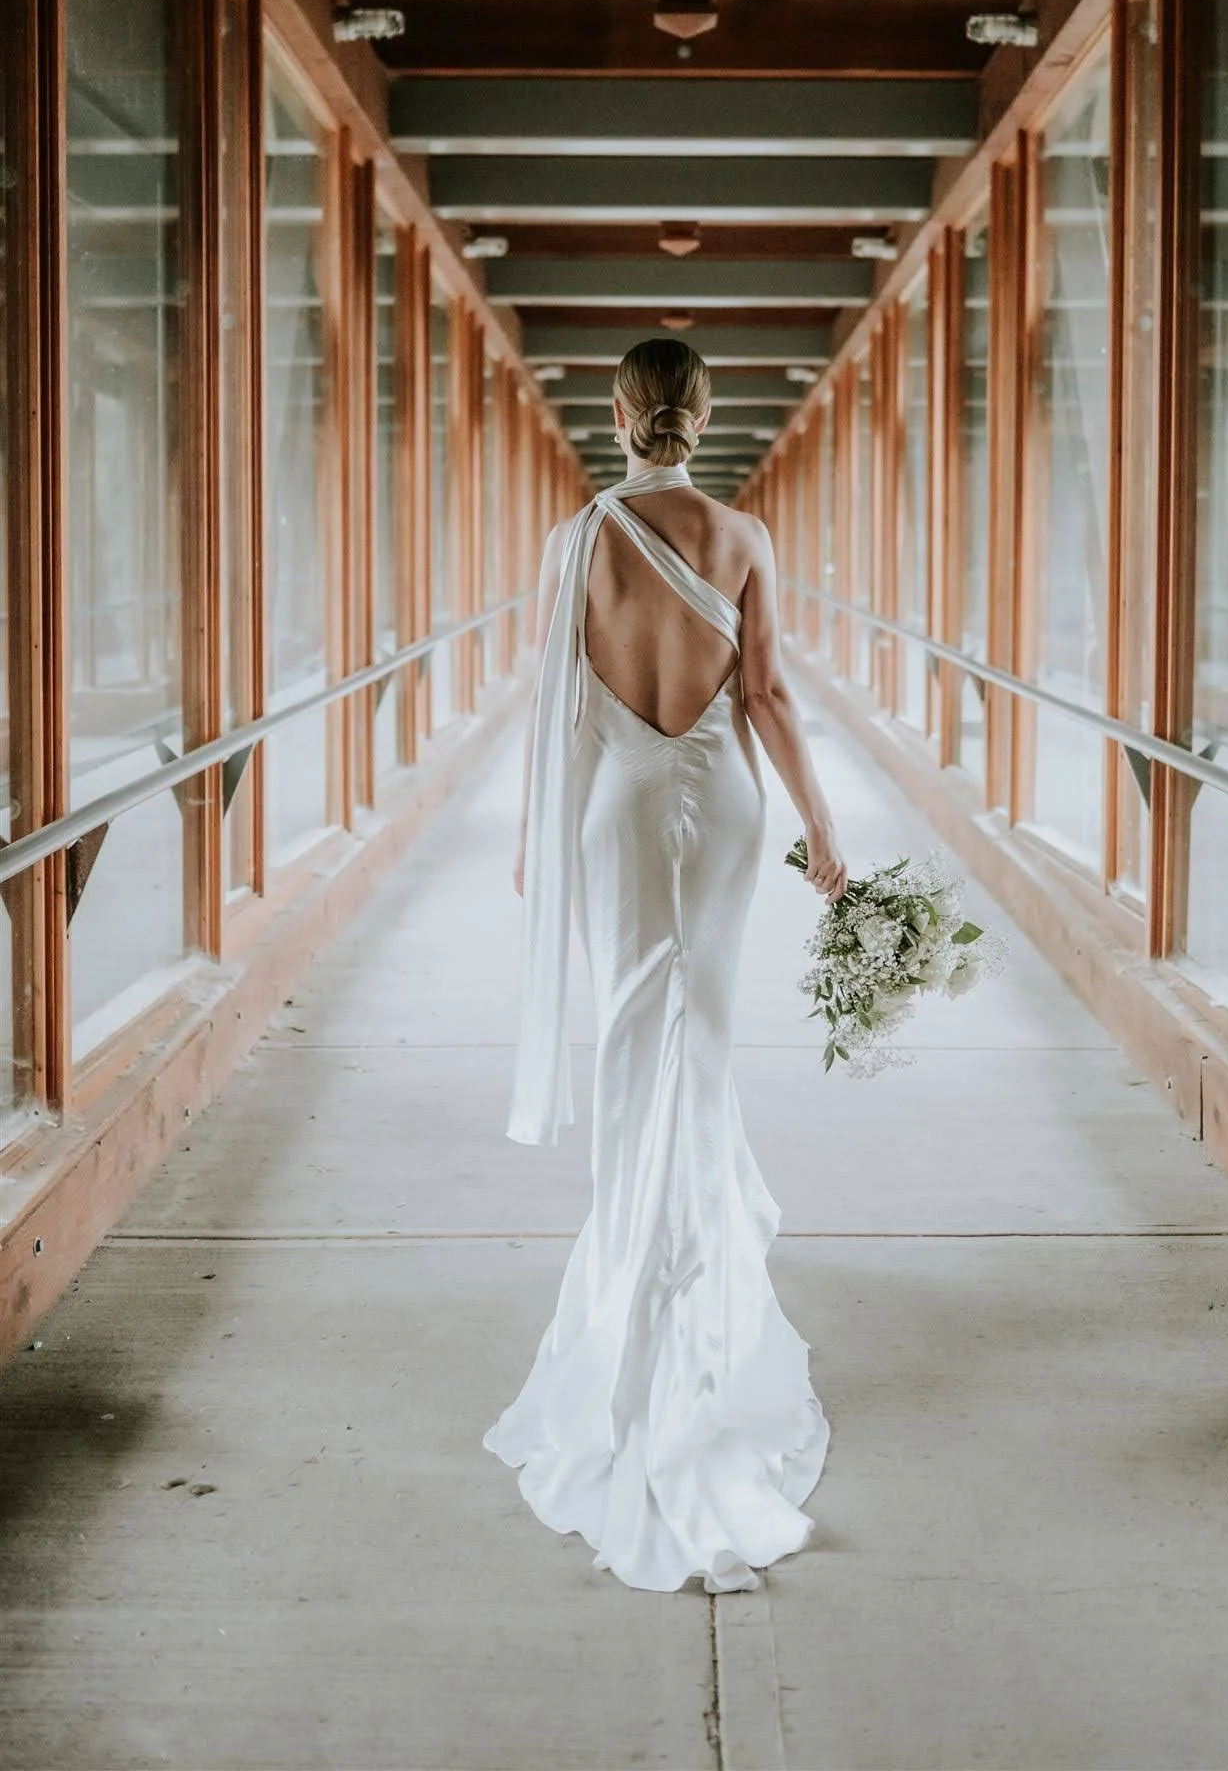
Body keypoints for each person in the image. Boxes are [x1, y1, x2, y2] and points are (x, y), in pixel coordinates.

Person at [484, 336, 847, 1594]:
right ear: (703, 414)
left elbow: (556, 712)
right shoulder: (741, 538)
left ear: (620, 413)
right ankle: (695, 1312)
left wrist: (543, 839)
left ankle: (636, 1305)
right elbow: (774, 701)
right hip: (727, 809)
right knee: (700, 1044)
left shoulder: (570, 545)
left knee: (638, 1044)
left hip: (621, 812)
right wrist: (826, 831)